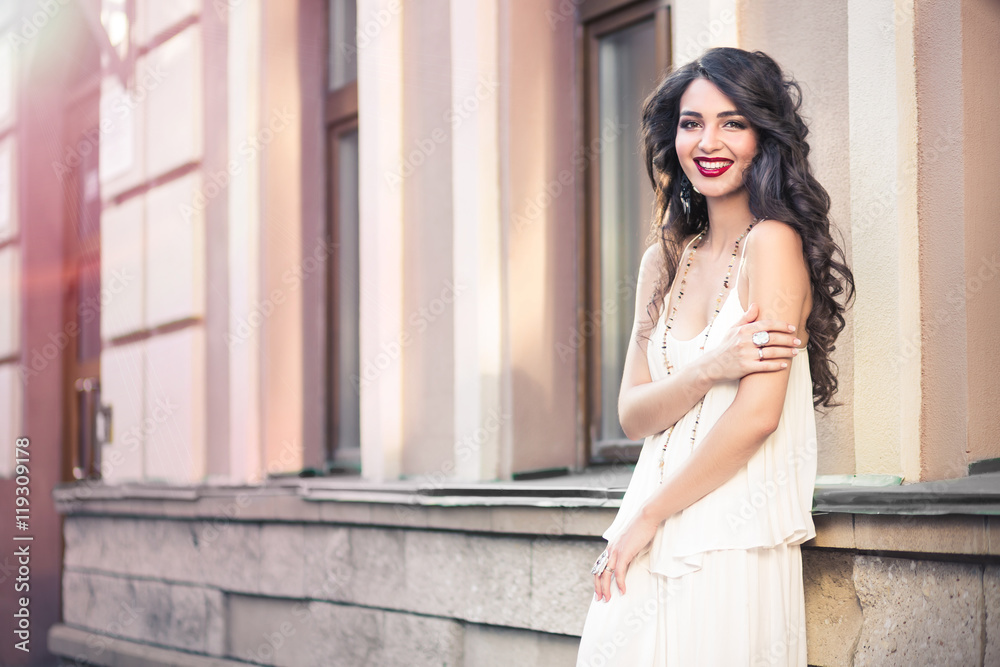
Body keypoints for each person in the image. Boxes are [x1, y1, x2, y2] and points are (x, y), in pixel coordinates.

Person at [575, 47, 854, 667]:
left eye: (733, 122)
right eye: (691, 122)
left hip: (728, 533)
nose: (709, 140)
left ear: (765, 136)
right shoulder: (663, 260)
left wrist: (649, 517)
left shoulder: (773, 244)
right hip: (647, 532)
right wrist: (709, 367)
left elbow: (758, 417)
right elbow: (633, 415)